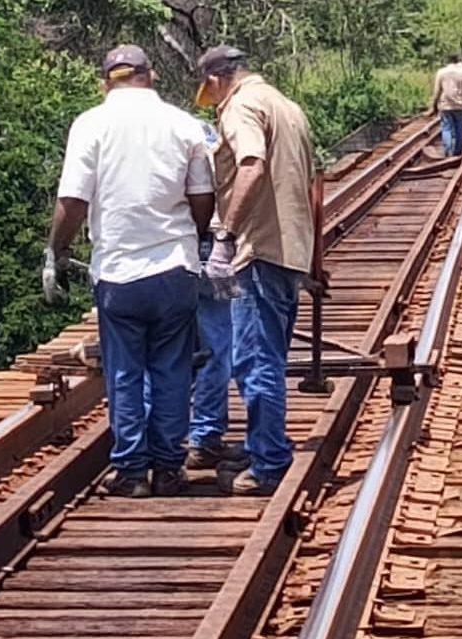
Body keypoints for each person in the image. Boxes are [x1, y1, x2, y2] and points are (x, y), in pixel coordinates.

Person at [43, 44, 215, 498]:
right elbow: (203, 198)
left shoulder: (91, 125)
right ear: (150, 75)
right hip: (175, 269)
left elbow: (73, 202)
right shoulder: (184, 124)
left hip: (118, 272)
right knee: (173, 370)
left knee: (125, 372)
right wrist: (193, 237)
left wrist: (54, 252)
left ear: (106, 82)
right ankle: (169, 467)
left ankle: (133, 473)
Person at [193, 45, 315, 496]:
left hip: (258, 250)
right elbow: (310, 184)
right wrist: (314, 260)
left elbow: (251, 164)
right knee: (269, 358)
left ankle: (268, 463)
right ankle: (265, 442)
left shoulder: (240, 105)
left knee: (253, 360)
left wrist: (224, 236)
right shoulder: (286, 106)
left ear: (216, 81)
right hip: (289, 252)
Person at [185, 121, 238, 469]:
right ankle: (203, 437)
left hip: (170, 256)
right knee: (216, 348)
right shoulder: (212, 142)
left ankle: (153, 439)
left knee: (160, 349)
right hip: (210, 251)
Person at [430, 54, 462, 157]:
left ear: (448, 60)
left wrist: (434, 105)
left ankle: (447, 149)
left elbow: (437, 91)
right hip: (461, 106)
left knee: (446, 128)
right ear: (458, 60)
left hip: (446, 106)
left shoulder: (441, 73)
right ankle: (457, 152)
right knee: (460, 129)